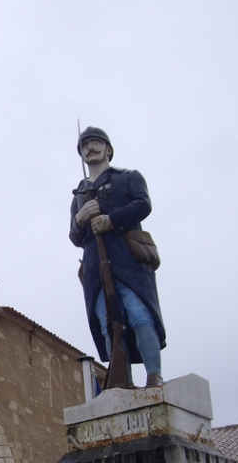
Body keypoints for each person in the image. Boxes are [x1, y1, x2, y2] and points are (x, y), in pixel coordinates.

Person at [70, 126, 166, 388]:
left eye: (96, 142)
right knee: (109, 323)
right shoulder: (79, 193)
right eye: (85, 144)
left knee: (140, 314)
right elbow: (74, 236)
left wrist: (110, 219)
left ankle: (154, 375)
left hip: (127, 260)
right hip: (95, 267)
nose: (90, 148)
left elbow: (143, 204)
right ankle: (123, 383)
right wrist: (81, 217)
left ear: (108, 149)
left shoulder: (129, 177)